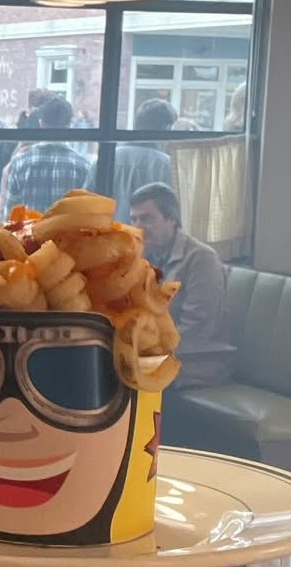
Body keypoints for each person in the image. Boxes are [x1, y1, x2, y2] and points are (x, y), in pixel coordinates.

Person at [129, 183, 230, 389]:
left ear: (172, 219)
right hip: (156, 353)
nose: (138, 226)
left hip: (199, 359)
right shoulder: (143, 256)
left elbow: (197, 328)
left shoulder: (201, 258)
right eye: (134, 219)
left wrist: (146, 351)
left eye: (146, 218)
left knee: (126, 374)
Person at [87, 99, 176, 223]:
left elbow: (85, 206)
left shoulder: (105, 159)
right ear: (166, 129)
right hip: (149, 240)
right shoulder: (167, 165)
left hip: (106, 238)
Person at [0, 96, 91, 215]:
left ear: (41, 124)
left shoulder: (20, 162)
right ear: (69, 125)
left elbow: (10, 215)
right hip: (66, 233)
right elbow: (86, 217)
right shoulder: (83, 166)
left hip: (29, 232)